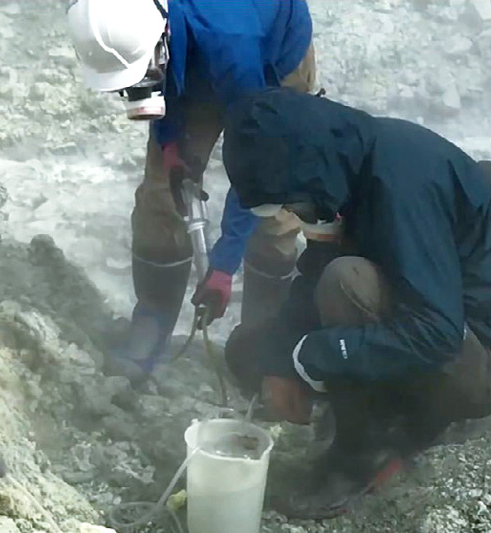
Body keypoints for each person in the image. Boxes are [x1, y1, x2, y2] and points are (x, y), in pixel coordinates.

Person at [220, 87, 491, 518]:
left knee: (346, 283)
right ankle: (377, 408)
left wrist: (312, 358)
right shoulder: (345, 164)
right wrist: (280, 361)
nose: (296, 212)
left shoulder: (402, 182)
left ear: (307, 168)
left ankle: (363, 454)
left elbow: (437, 334)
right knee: (250, 350)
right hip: (421, 324)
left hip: (481, 358)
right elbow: (314, 270)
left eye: (292, 201)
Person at [67, 0, 318, 380]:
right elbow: (156, 89)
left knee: (276, 207)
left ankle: (261, 339)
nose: (138, 89)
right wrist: (170, 143)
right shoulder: (119, 15)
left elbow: (259, 164)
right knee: (160, 195)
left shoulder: (233, 44)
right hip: (194, 45)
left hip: (271, 61)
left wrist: (223, 265)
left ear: (161, 40)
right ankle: (152, 317)